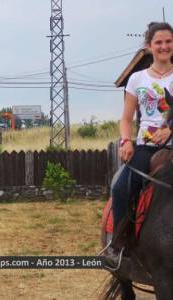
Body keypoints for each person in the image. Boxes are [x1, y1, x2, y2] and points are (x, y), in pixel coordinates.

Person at [109, 22, 173, 260]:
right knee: (120, 187)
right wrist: (126, 141)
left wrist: (170, 130)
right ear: (149, 46)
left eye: (168, 41)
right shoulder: (137, 79)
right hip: (146, 146)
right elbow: (126, 119)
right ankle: (120, 245)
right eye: (159, 42)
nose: (164, 46)